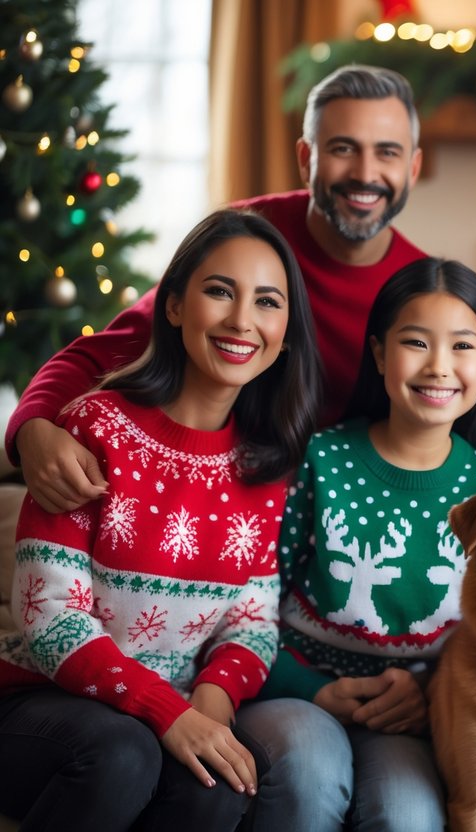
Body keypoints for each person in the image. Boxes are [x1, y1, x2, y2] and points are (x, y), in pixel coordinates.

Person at [0, 210, 322, 830]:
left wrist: (211, 701)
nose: (241, 321)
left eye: (267, 302)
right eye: (219, 291)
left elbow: (252, 623)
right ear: (173, 307)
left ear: (286, 331)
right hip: (40, 703)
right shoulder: (93, 427)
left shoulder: (266, 467)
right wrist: (167, 713)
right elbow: (49, 618)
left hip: (167, 713)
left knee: (218, 784)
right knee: (121, 752)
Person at [8, 64, 427, 512]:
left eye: (387, 153)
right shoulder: (246, 239)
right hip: (210, 497)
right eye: (344, 148)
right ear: (307, 159)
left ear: (413, 166)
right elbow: (109, 351)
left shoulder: (424, 292)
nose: (365, 172)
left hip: (337, 519)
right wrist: (32, 427)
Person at [235, 258, 476, 831]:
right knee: (309, 776)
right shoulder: (319, 460)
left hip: (413, 711)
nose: (439, 366)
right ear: (381, 354)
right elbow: (248, 599)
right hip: (295, 689)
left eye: (462, 347)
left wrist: (429, 691)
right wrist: (309, 689)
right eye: (416, 343)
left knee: (407, 815)